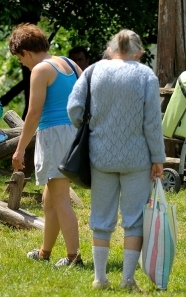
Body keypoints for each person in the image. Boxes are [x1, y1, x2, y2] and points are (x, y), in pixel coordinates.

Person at [67, 30, 165, 291]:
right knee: (134, 219)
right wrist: (158, 158)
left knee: (101, 217)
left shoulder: (93, 71)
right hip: (138, 158)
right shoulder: (146, 75)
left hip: (100, 155)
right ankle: (127, 280)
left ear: (110, 49)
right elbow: (153, 122)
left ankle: (100, 279)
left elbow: (74, 108)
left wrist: (91, 127)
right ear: (139, 52)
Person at [9, 24, 82, 268]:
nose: (22, 64)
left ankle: (74, 258)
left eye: (20, 58)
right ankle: (44, 252)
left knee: (60, 199)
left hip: (55, 136)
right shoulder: (71, 65)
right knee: (49, 200)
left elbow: (34, 113)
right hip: (74, 134)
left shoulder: (40, 70)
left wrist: (19, 150)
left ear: (26, 52)